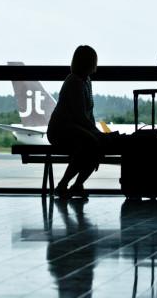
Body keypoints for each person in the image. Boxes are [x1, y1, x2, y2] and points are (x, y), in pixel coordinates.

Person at [47, 45, 103, 199]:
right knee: (91, 145)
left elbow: (86, 114)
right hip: (61, 130)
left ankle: (72, 185)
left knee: (93, 144)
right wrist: (95, 133)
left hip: (75, 129)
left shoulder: (85, 80)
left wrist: (94, 132)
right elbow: (80, 115)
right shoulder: (75, 82)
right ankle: (66, 184)